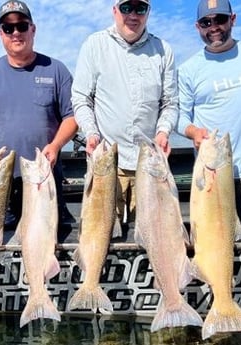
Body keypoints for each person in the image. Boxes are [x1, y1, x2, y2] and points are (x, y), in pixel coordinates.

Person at [0, 0, 78, 228]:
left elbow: (72, 117)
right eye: (8, 28)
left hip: (45, 179)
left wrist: (56, 145)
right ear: (1, 34)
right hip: (1, 183)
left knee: (44, 245)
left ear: (33, 29)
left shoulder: (56, 70)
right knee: (0, 245)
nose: (15, 32)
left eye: (22, 26)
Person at [71, 0, 178, 226]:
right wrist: (91, 133)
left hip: (149, 164)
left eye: (140, 8)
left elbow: (170, 103)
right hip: (108, 163)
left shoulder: (163, 50)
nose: (133, 15)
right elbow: (81, 98)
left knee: (154, 234)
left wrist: (163, 131)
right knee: (102, 234)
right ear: (114, 10)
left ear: (148, 12)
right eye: (126, 8)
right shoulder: (94, 45)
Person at [176, 0, 241, 221]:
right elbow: (178, 117)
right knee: (216, 241)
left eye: (220, 19)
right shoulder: (188, 70)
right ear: (198, 26)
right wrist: (193, 132)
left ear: (232, 19)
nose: (214, 27)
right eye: (206, 22)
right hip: (212, 172)